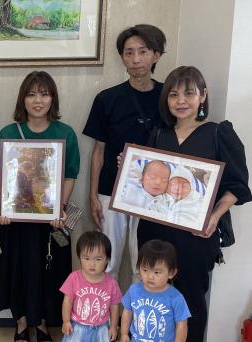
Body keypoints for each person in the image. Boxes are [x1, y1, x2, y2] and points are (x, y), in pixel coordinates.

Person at [138, 66, 251, 342]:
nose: (181, 101)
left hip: (196, 233)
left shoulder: (217, 133)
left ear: (203, 96)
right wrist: (131, 170)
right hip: (154, 229)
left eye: (189, 93)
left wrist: (213, 217)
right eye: (173, 94)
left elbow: (237, 185)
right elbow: (147, 181)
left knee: (190, 295)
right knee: (155, 292)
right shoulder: (157, 134)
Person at [0, 71, 80, 342]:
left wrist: (58, 210)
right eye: (32, 94)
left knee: (47, 270)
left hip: (49, 220)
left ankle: (41, 322)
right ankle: (21, 320)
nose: (38, 100)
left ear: (53, 98)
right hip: (15, 218)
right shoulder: (8, 133)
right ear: (23, 99)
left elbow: (70, 176)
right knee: (17, 268)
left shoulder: (65, 133)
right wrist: (4, 206)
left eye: (44, 94)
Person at [84, 24, 167, 280]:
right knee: (106, 262)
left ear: (156, 55)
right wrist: (93, 195)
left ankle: (137, 309)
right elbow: (98, 150)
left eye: (143, 52)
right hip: (111, 189)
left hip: (153, 193)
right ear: (122, 57)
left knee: (144, 264)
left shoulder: (168, 98)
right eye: (129, 52)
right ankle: (104, 308)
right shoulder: (106, 99)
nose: (136, 59)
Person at [59, 231, 121, 342]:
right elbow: (67, 301)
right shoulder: (74, 278)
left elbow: (115, 306)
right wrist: (66, 321)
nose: (92, 264)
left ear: (107, 259)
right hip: (77, 324)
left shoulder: (111, 283)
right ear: (79, 257)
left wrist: (113, 326)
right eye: (86, 258)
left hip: (101, 326)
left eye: (98, 259)